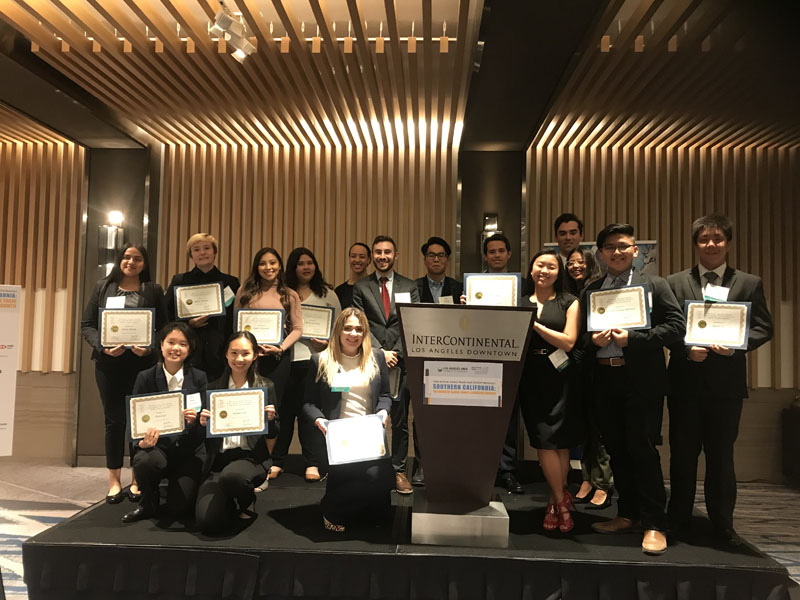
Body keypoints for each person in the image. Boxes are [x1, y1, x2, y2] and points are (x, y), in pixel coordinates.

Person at [667, 215, 773, 546]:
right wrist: (686, 350)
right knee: (682, 457)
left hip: (726, 388)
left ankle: (723, 526)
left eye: (717, 239)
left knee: (721, 458)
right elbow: (666, 328)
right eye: (704, 239)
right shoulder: (674, 283)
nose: (711, 244)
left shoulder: (748, 283)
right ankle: (677, 521)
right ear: (695, 244)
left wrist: (736, 345)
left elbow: (763, 327)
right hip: (685, 386)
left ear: (728, 243)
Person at [580, 224, 685, 555]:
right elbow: (580, 337)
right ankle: (627, 515)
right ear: (601, 253)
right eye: (609, 247)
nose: (617, 252)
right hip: (604, 379)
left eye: (623, 246)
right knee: (616, 450)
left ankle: (654, 523)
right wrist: (592, 341)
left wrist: (634, 339)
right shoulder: (592, 290)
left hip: (640, 381)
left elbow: (676, 327)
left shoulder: (654, 285)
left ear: (635, 250)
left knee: (643, 450)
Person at [80, 242, 167, 504]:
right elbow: (87, 325)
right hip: (109, 365)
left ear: (144, 263)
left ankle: (137, 478)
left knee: (138, 422)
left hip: (142, 366)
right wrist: (103, 346)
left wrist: (150, 347)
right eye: (127, 257)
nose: (131, 262)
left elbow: (164, 328)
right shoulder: (103, 287)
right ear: (120, 260)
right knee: (114, 422)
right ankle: (114, 481)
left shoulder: (152, 290)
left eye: (138, 258)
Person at [303, 308, 395, 532]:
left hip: (370, 434)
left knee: (381, 480)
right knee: (353, 479)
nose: (353, 334)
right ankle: (332, 511)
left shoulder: (376, 357)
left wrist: (383, 412)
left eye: (358, 329)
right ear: (338, 331)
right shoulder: (321, 360)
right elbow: (308, 403)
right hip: (338, 437)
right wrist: (320, 421)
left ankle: (356, 510)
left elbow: (385, 395)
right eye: (348, 328)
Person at [352, 235, 420, 494]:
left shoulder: (410, 286)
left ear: (396, 255)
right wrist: (381, 353)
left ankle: (398, 470)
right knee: (369, 417)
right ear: (373, 255)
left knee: (399, 421)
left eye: (387, 252)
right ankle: (371, 468)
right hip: (370, 361)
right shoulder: (361, 287)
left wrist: (396, 353)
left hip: (401, 364)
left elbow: (412, 322)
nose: (382, 256)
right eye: (378, 252)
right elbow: (360, 323)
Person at [519, 250, 581, 532]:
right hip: (530, 375)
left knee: (561, 442)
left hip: (561, 376)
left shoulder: (570, 301)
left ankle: (557, 503)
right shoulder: (520, 302)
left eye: (551, 267)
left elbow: (568, 341)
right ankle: (560, 499)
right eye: (540, 265)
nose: (544, 271)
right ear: (531, 269)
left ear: (559, 272)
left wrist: (533, 325)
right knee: (544, 441)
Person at [123, 322, 208, 523]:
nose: (176, 348)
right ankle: (148, 502)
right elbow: (133, 421)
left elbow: (205, 423)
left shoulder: (199, 378)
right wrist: (141, 443)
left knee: (179, 510)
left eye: (183, 344)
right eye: (171, 342)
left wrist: (196, 421)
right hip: (157, 448)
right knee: (145, 461)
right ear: (161, 345)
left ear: (190, 349)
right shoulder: (145, 377)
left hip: (188, 452)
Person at [196, 331, 278, 534]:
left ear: (255, 355)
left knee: (233, 478)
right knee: (207, 522)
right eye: (234, 353)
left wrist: (270, 420)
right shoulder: (212, 388)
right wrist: (202, 424)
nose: (239, 359)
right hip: (218, 461)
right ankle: (228, 498)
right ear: (226, 354)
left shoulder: (265, 387)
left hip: (250, 458)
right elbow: (202, 438)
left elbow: (273, 432)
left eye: (245, 353)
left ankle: (247, 500)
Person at [279, 247, 341, 482]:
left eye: (310, 263)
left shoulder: (327, 294)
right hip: (285, 360)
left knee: (309, 413)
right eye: (300, 264)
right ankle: (277, 461)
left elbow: (340, 328)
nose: (306, 267)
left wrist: (326, 342)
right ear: (292, 268)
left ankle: (312, 463)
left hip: (315, 361)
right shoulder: (283, 293)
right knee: (284, 413)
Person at [565, 248, 614, 510]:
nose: (575, 266)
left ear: (591, 263)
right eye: (570, 262)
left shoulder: (599, 289)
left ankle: (603, 482)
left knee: (600, 427)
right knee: (585, 426)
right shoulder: (568, 291)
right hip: (578, 366)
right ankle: (587, 478)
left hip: (599, 367)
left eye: (580, 262)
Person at [234, 247, 302, 424]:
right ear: (256, 267)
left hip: (278, 358)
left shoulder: (290, 295)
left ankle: (270, 442)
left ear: (279, 266)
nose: (268, 267)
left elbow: (298, 329)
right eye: (262, 264)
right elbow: (237, 326)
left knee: (273, 406)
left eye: (272, 263)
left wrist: (280, 348)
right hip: (249, 357)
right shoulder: (244, 292)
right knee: (248, 403)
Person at [480, 233, 524, 493]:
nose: (496, 255)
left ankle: (507, 470)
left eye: (500, 251)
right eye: (491, 251)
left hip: (511, 358)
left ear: (509, 254)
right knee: (480, 418)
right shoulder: (473, 285)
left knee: (508, 417)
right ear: (486, 256)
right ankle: (482, 468)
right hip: (481, 358)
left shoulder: (523, 286)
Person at [164, 233, 240, 382]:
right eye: (196, 249)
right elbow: (167, 314)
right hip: (189, 350)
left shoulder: (230, 282)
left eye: (207, 248)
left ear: (214, 252)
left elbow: (235, 318)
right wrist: (188, 324)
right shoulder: (180, 281)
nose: (202, 252)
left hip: (220, 352)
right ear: (191, 255)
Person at [416, 236, 463, 305]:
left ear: (448, 259)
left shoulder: (458, 289)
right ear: (425, 260)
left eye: (441, 255)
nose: (436, 260)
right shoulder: (415, 287)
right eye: (431, 255)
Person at [334, 242, 371, 309]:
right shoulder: (340, 291)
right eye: (353, 256)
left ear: (369, 260)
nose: (357, 260)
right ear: (349, 259)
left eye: (362, 257)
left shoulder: (375, 288)